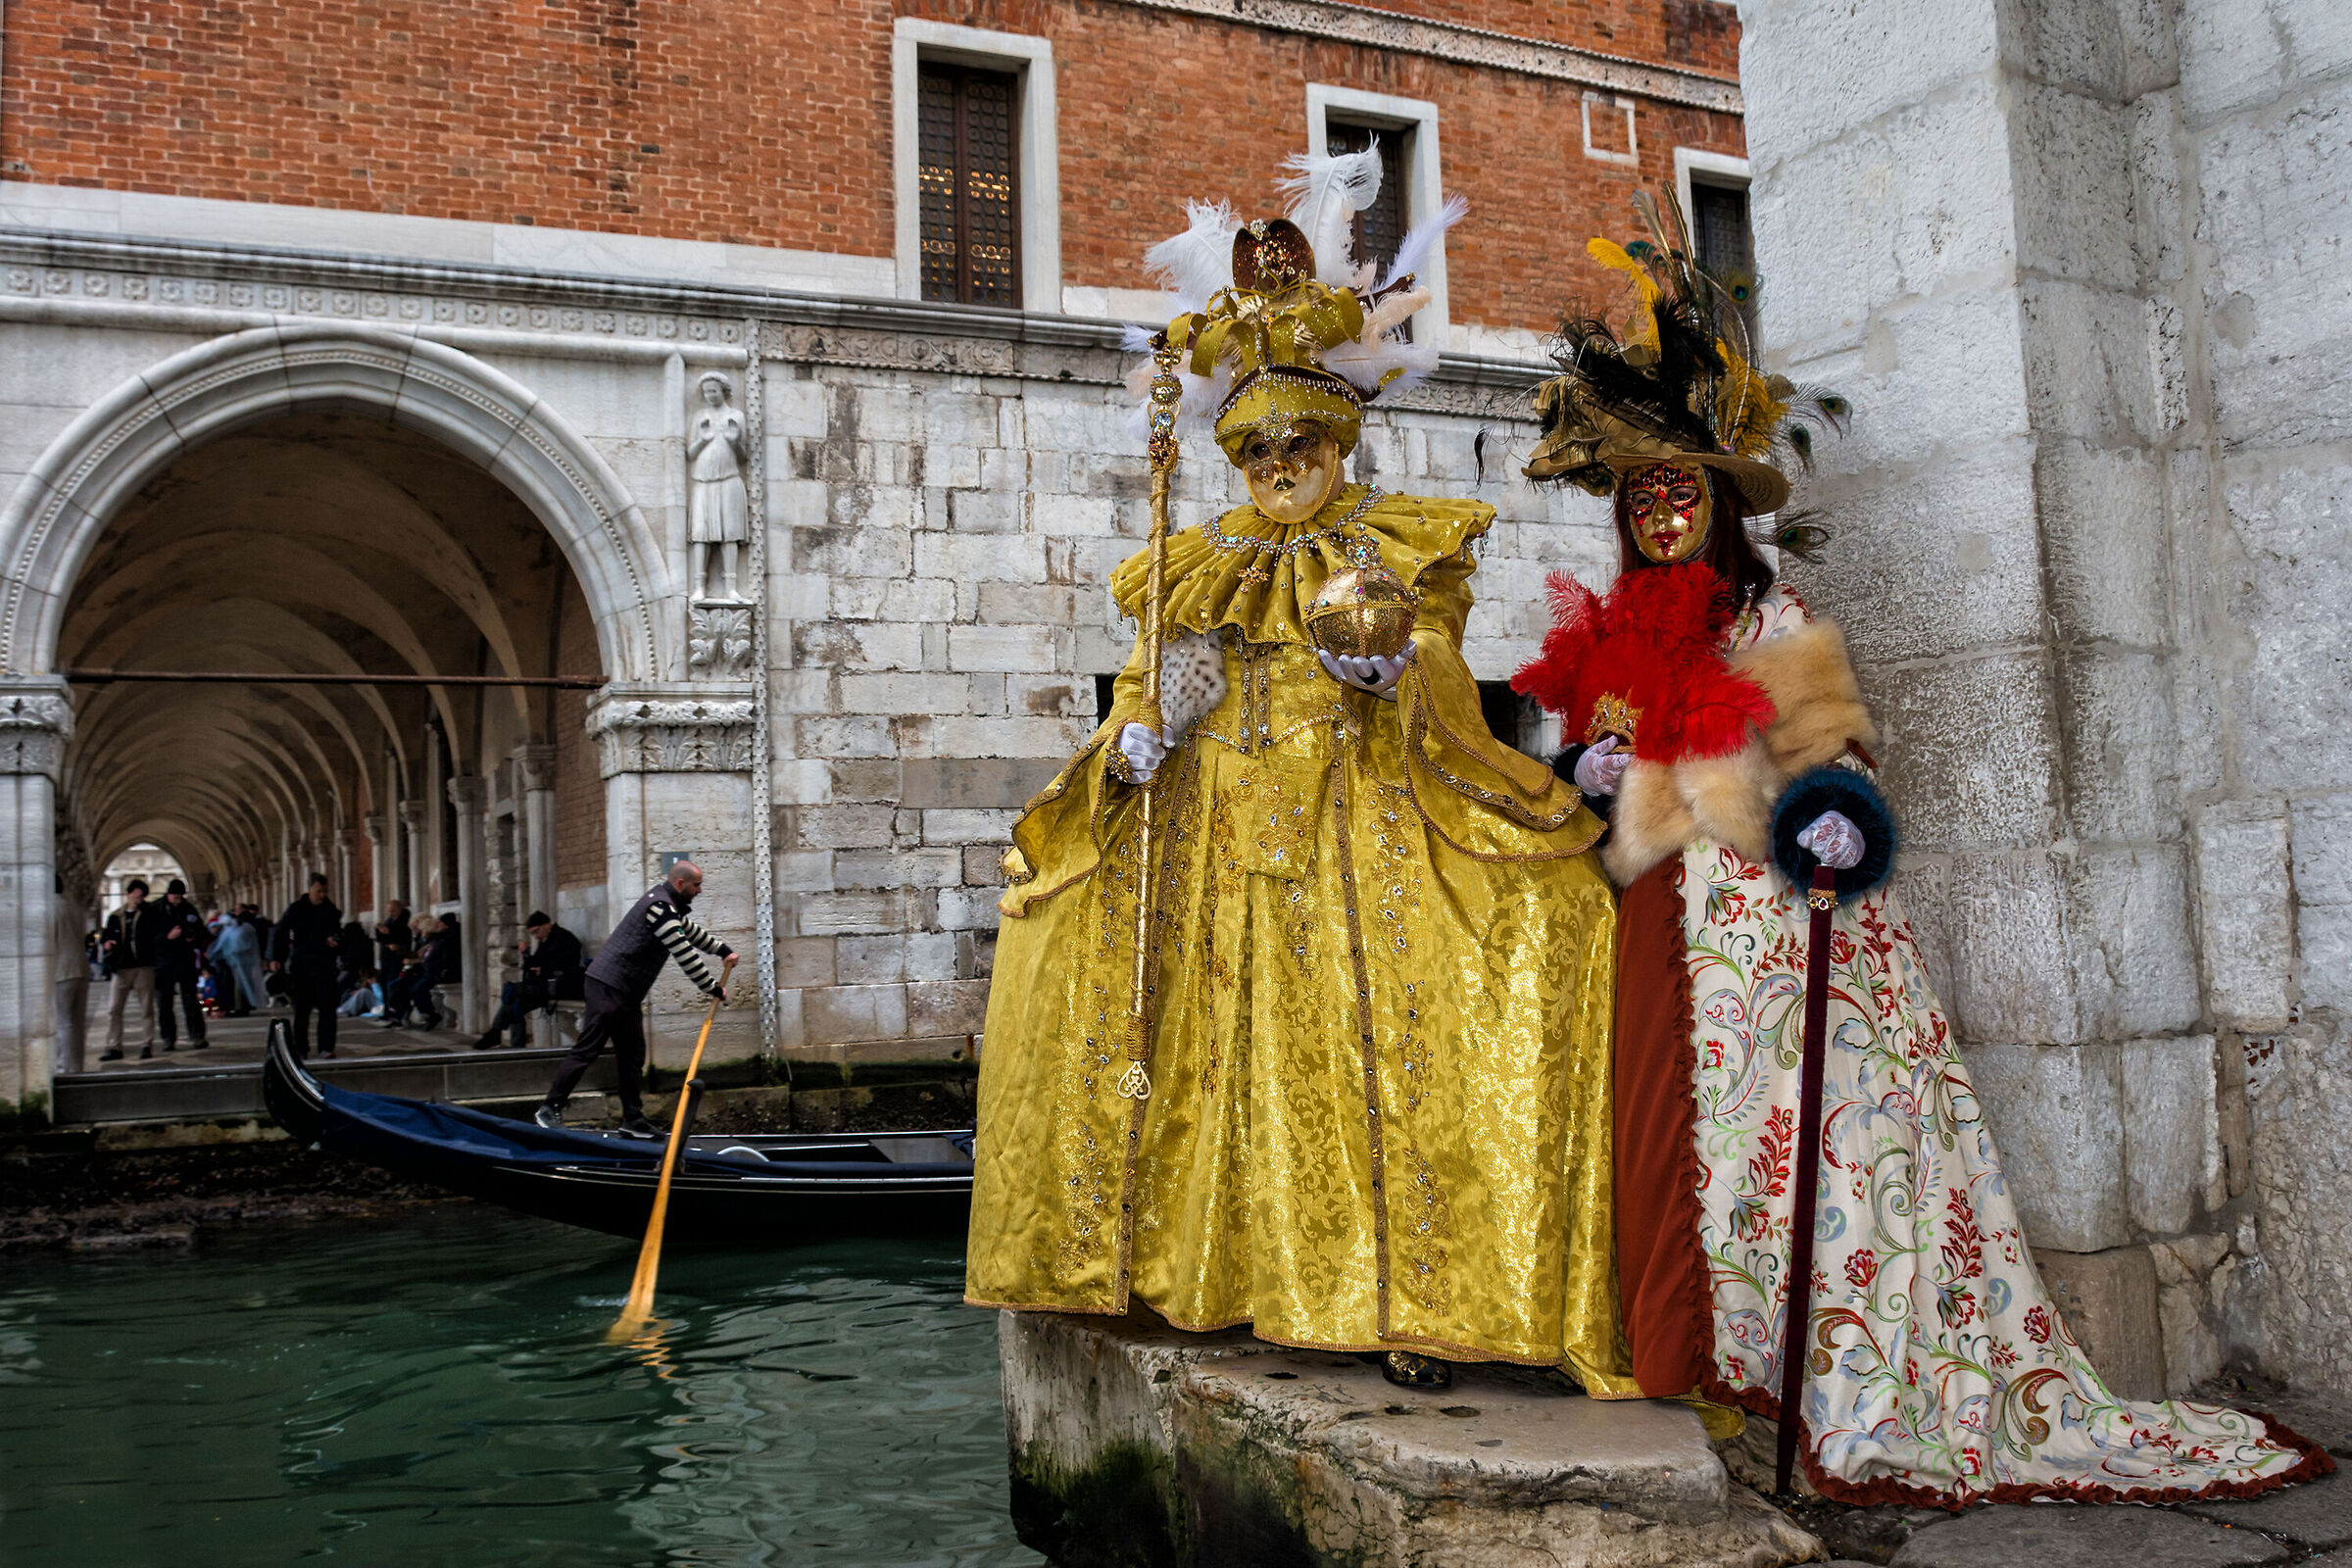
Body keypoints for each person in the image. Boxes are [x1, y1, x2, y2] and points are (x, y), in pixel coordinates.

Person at [1510, 191, 2328, 1502]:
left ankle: (1803, 1369)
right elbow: (1588, 770)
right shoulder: (1605, 639)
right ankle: (1695, 1358)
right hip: (1656, 936)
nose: (1662, 514)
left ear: (1721, 506)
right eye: (1644, 496)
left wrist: (1832, 816)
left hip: (1771, 951)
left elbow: (1839, 760)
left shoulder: (1775, 618)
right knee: (1666, 1142)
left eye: (1682, 493)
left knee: (1785, 1156)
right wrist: (1587, 768)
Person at [964, 159, 1631, 1396]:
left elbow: (1443, 670)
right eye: (1257, 441)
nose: (1279, 457)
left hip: (1368, 832)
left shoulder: (1401, 545)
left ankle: (1422, 1300)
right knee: (1216, 1060)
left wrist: (1390, 673)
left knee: (1489, 974)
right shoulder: (1186, 566)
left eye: (1301, 437)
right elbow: (1136, 699)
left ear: (1339, 435)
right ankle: (1226, 1280)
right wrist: (1146, 737)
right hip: (1221, 854)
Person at [538, 861, 731, 1138]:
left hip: (625, 992)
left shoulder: (667, 906)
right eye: (696, 885)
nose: (700, 890)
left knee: (632, 1055)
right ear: (680, 884)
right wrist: (712, 987)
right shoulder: (660, 908)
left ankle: (633, 1119)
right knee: (588, 1048)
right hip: (608, 985)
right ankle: (549, 1108)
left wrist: (724, 950)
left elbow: (689, 931)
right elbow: (683, 952)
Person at [473, 911, 585, 1050]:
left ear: (546, 925)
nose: (535, 936)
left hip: (560, 987)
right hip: (542, 987)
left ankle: (496, 1033)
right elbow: (534, 964)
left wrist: (543, 970)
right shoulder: (546, 940)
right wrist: (526, 954)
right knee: (515, 1004)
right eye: (533, 934)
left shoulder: (565, 939)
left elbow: (567, 966)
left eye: (536, 931)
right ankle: (515, 1046)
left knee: (512, 991)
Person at [269, 874, 345, 1060]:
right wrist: (276, 957)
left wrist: (336, 941)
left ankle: (326, 1047)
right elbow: (280, 932)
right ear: (309, 889)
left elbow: (338, 933)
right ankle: (301, 1047)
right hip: (302, 965)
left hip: (325, 965)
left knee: (328, 1008)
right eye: (319, 891)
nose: (322, 895)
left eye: (324, 891)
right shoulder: (297, 909)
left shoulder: (330, 910)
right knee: (302, 1009)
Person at [98, 877, 164, 1061]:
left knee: (146, 1008)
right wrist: (107, 943)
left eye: (141, 897)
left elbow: (157, 933)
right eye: (135, 896)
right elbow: (105, 937)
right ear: (128, 894)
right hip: (121, 967)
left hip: (143, 967)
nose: (138, 899)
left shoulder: (149, 914)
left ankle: (146, 1044)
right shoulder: (115, 916)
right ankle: (114, 1046)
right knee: (114, 1009)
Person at [152, 878, 211, 1052]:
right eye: (175, 897)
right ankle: (168, 1038)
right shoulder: (156, 909)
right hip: (163, 963)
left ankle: (197, 1036)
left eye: (180, 897)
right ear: (168, 894)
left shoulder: (188, 908)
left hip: (185, 961)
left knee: (191, 1000)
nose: (178, 900)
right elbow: (148, 936)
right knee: (164, 1003)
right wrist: (166, 937)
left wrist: (193, 936)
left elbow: (201, 931)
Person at [52, 876, 89, 1076]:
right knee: (77, 1021)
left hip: (61, 971)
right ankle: (76, 1066)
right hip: (81, 968)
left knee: (63, 1021)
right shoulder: (74, 907)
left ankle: (64, 1068)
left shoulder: (50, 908)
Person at [208, 905, 265, 1018]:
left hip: (238, 963)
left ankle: (239, 1008)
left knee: (239, 987)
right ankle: (237, 1007)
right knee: (236, 987)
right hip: (233, 963)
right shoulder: (237, 929)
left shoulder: (242, 929)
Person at [373, 900, 412, 1000]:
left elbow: (403, 937)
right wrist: (379, 930)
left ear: (399, 910)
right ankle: (386, 1009)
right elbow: (381, 939)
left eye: (393, 911)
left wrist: (389, 932)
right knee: (383, 982)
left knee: (392, 983)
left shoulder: (405, 922)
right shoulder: (389, 921)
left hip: (397, 957)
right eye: (389, 911)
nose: (391, 914)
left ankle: (393, 1009)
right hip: (386, 957)